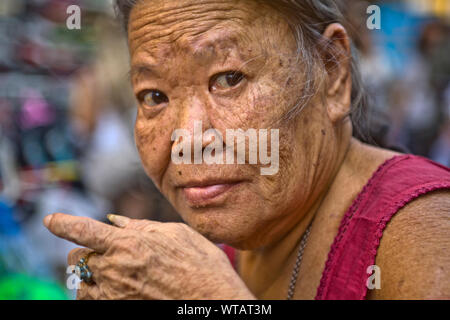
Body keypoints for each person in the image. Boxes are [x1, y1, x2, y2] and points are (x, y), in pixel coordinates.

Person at [44, 0, 450, 299]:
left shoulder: (424, 234)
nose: (187, 139)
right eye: (153, 95)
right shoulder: (233, 247)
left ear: (331, 72)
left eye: (229, 78)